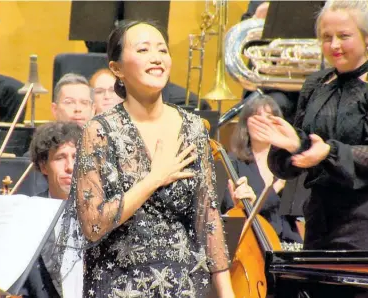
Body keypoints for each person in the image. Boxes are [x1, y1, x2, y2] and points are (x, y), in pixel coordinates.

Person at [56, 20, 235, 298]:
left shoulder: (194, 128)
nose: (156, 58)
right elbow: (92, 226)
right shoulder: (99, 131)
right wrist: (154, 179)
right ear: (117, 69)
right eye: (143, 50)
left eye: (162, 50)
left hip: (185, 285)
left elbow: (208, 221)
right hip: (118, 285)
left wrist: (227, 294)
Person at [249, 0, 368, 251]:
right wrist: (292, 146)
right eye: (326, 37)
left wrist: (327, 152)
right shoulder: (316, 84)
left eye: (343, 36)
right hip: (320, 219)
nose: (333, 45)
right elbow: (305, 150)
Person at [221, 94, 303, 247]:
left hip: (288, 244)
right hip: (253, 245)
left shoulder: (289, 162)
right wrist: (276, 187)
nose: (264, 121)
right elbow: (230, 211)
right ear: (246, 124)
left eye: (270, 116)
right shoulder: (232, 163)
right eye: (257, 116)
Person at [21, 121, 83, 298]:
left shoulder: (104, 211)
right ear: (43, 166)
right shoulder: (27, 214)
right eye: (60, 157)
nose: (70, 166)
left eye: (76, 157)